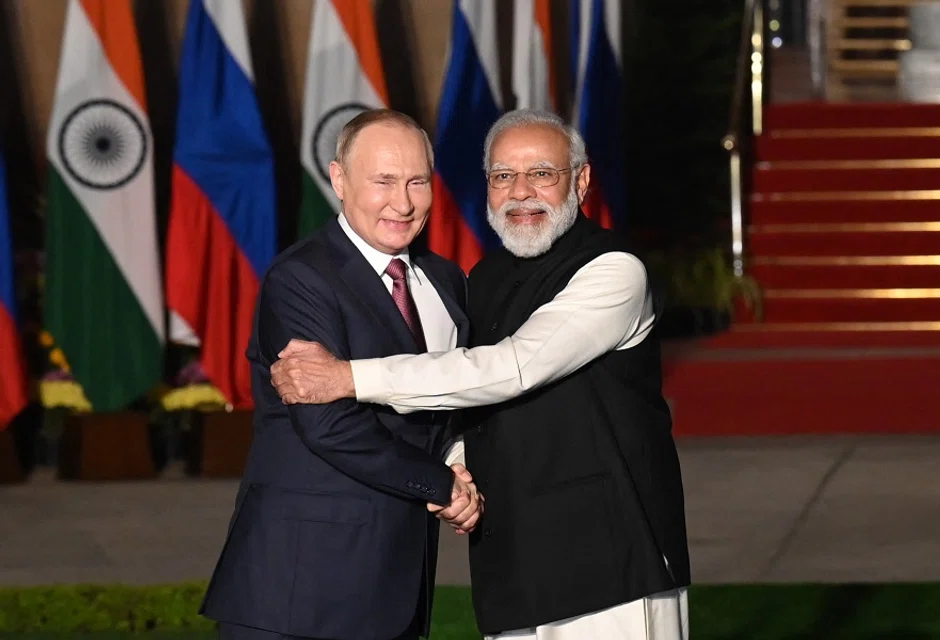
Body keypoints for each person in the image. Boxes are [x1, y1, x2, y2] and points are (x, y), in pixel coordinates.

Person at [270, 109, 691, 640]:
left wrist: (349, 377)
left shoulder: (614, 271)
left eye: (542, 173)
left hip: (615, 562)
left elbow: (514, 368)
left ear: (580, 181)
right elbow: (475, 405)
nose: (521, 192)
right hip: (514, 560)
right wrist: (454, 467)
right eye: (502, 176)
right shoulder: (482, 279)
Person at [200, 109, 483, 640]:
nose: (402, 203)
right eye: (382, 182)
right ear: (338, 180)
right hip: (299, 589)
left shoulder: (446, 281)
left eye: (417, 181)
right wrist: (442, 485)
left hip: (398, 582)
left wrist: (460, 460)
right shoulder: (301, 278)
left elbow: (447, 401)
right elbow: (328, 425)